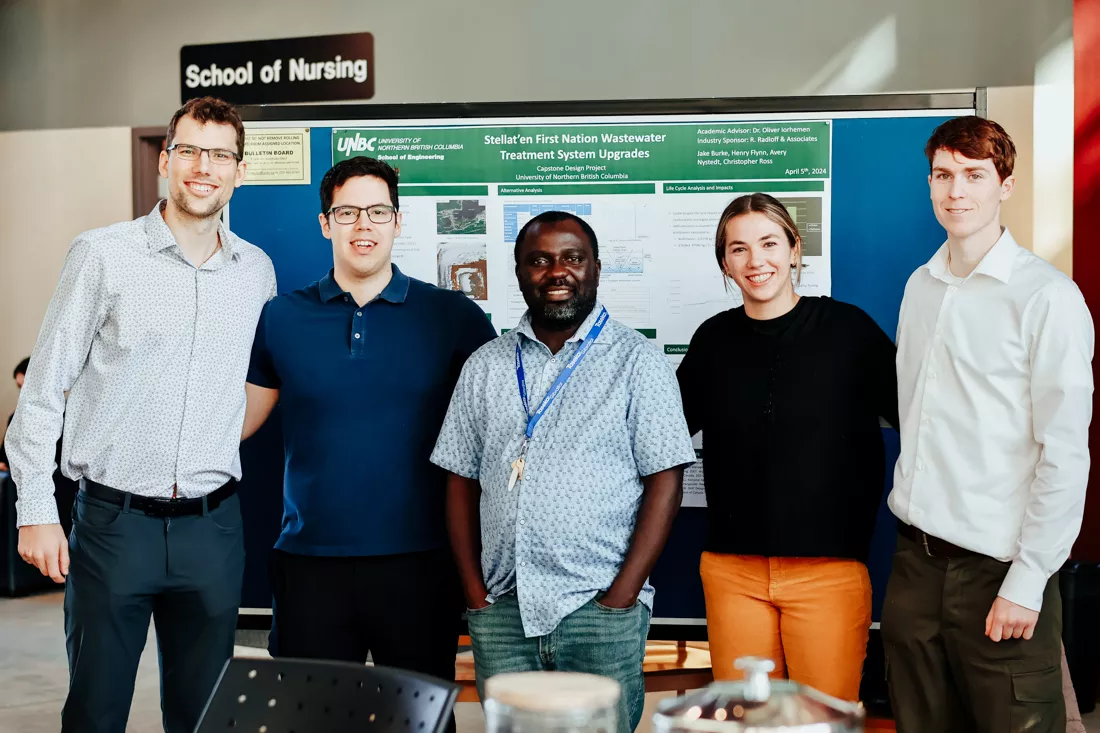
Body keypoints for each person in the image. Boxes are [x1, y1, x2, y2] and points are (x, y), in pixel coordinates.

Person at [4, 97, 276, 733]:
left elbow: (253, 388)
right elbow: (42, 390)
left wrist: (208, 443)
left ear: (239, 170)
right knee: (96, 712)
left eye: (220, 155)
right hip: (112, 527)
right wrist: (36, 510)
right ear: (166, 159)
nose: (203, 167)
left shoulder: (255, 272)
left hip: (213, 530)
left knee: (204, 717)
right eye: (189, 150)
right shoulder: (102, 255)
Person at [241, 156, 496, 720]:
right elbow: (237, 423)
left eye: (377, 211)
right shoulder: (281, 317)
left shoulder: (453, 316)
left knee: (421, 723)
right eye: (348, 212)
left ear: (398, 221)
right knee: (315, 722)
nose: (364, 225)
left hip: (422, 564)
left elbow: (500, 431)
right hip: (309, 564)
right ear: (325, 223)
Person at [430, 210, 696, 733]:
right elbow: (459, 479)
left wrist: (621, 597)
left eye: (572, 258)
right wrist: (475, 596)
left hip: (600, 611)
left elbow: (666, 479)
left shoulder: (637, 361)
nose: (558, 271)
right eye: (540, 260)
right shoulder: (485, 365)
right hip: (503, 611)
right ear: (519, 271)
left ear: (595, 267)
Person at [881, 116, 1094, 733]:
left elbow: (1064, 453)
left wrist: (1028, 580)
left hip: (999, 567)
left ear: (1004, 184)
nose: (957, 192)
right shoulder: (919, 287)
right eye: (943, 176)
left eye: (974, 175)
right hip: (915, 561)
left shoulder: (1047, 297)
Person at [675, 193, 899, 701]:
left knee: (821, 720)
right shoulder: (712, 340)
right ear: (725, 263)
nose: (757, 261)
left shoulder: (850, 331)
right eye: (738, 249)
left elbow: (921, 421)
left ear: (795, 249)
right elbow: (661, 437)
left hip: (829, 572)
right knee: (746, 719)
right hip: (733, 572)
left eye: (769, 243)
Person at [0, 356, 29, 472]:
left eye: (25, 387)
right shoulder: (15, 416)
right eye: (19, 387)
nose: (22, 393)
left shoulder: (61, 416)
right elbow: (4, 453)